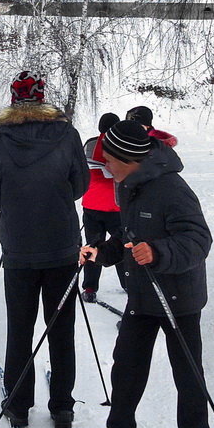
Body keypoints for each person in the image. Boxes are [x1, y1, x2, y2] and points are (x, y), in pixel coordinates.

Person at [79, 120, 213, 428]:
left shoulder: (172, 189)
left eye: (109, 160)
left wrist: (157, 251)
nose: (105, 167)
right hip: (142, 294)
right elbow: (128, 233)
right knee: (126, 368)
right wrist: (102, 252)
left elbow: (199, 240)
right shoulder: (128, 187)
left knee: (187, 375)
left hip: (178, 299)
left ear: (129, 159)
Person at [0, 71, 89, 428]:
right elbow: (80, 185)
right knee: (61, 329)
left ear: (13, 99)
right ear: (42, 99)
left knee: (20, 328)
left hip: (20, 247)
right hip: (60, 246)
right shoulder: (67, 135)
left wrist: (16, 202)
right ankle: (62, 407)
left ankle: (20, 403)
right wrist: (52, 198)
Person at [80, 112, 126, 303]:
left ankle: (90, 288)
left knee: (93, 245)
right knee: (121, 245)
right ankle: (128, 284)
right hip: (116, 207)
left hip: (91, 204)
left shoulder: (90, 144)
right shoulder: (121, 144)